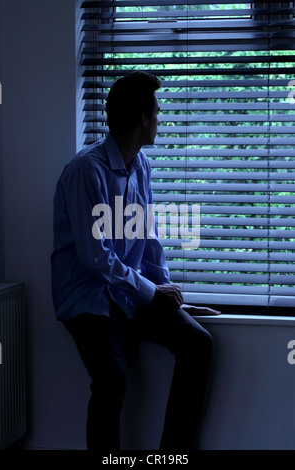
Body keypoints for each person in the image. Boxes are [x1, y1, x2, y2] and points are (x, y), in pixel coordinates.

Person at [51, 71, 219, 451]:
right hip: (87, 297)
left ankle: (173, 455)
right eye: (158, 111)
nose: (161, 117)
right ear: (143, 118)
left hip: (128, 290)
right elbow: (95, 258)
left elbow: (148, 237)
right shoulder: (85, 172)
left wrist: (167, 293)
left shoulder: (140, 165)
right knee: (111, 378)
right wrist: (150, 291)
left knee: (198, 343)